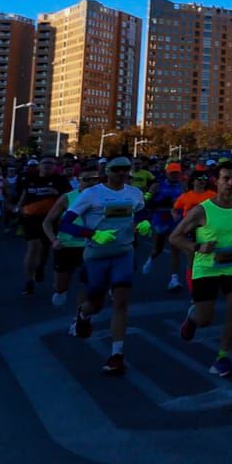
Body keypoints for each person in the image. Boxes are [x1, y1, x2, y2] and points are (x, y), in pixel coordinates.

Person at [63, 156, 150, 374]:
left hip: (124, 253)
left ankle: (116, 354)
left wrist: (144, 223)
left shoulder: (134, 193)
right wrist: (92, 234)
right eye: (117, 169)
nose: (122, 173)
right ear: (107, 171)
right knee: (96, 303)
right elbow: (65, 223)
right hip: (96, 254)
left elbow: (141, 213)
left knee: (121, 301)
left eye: (126, 169)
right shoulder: (91, 194)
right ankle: (83, 314)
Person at [169, 161, 232, 376]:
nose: (230, 183)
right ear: (216, 181)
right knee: (205, 319)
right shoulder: (202, 210)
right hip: (207, 269)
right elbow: (175, 237)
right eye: (225, 178)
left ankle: (222, 357)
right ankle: (192, 318)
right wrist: (198, 246)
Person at [42, 164, 100, 306]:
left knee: (89, 284)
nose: (91, 183)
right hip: (67, 246)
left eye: (95, 179)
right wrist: (53, 240)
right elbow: (47, 222)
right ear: (79, 180)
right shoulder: (68, 198)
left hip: (90, 246)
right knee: (60, 287)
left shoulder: (105, 198)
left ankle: (80, 318)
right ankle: (61, 290)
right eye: (87, 179)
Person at [16, 155, 68, 294]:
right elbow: (24, 196)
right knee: (33, 247)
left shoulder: (60, 180)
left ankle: (40, 266)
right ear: (39, 165)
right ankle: (29, 280)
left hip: (52, 219)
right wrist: (19, 208)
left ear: (55, 166)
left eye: (51, 163)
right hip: (32, 218)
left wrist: (56, 193)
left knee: (45, 249)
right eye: (44, 163)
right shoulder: (30, 180)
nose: (47, 166)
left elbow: (69, 198)